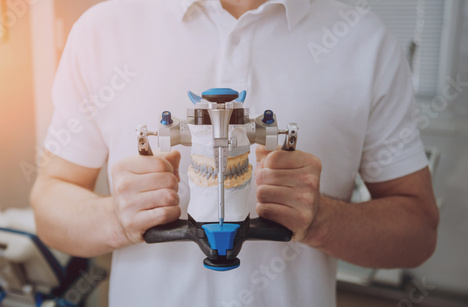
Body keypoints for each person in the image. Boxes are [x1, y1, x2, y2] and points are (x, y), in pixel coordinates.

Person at [30, 0, 439, 306]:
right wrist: (115, 217)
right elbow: (50, 205)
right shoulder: (102, 30)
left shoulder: (363, 40)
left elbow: (418, 232)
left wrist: (322, 219)